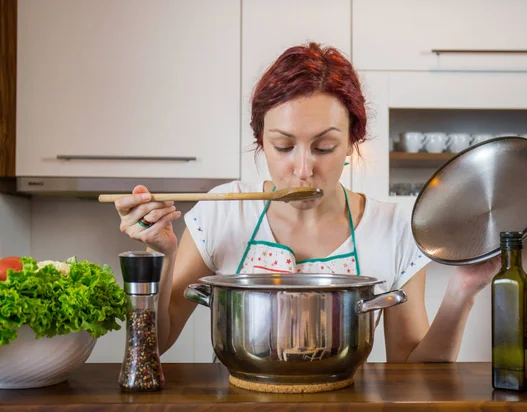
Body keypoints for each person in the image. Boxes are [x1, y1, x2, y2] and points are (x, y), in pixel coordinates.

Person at [114, 42, 500, 363]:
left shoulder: (394, 227)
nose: (302, 169)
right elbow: (156, 343)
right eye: (283, 146)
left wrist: (462, 290)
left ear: (352, 142)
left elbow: (413, 371)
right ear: (260, 140)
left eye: (324, 147)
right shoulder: (222, 211)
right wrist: (162, 254)